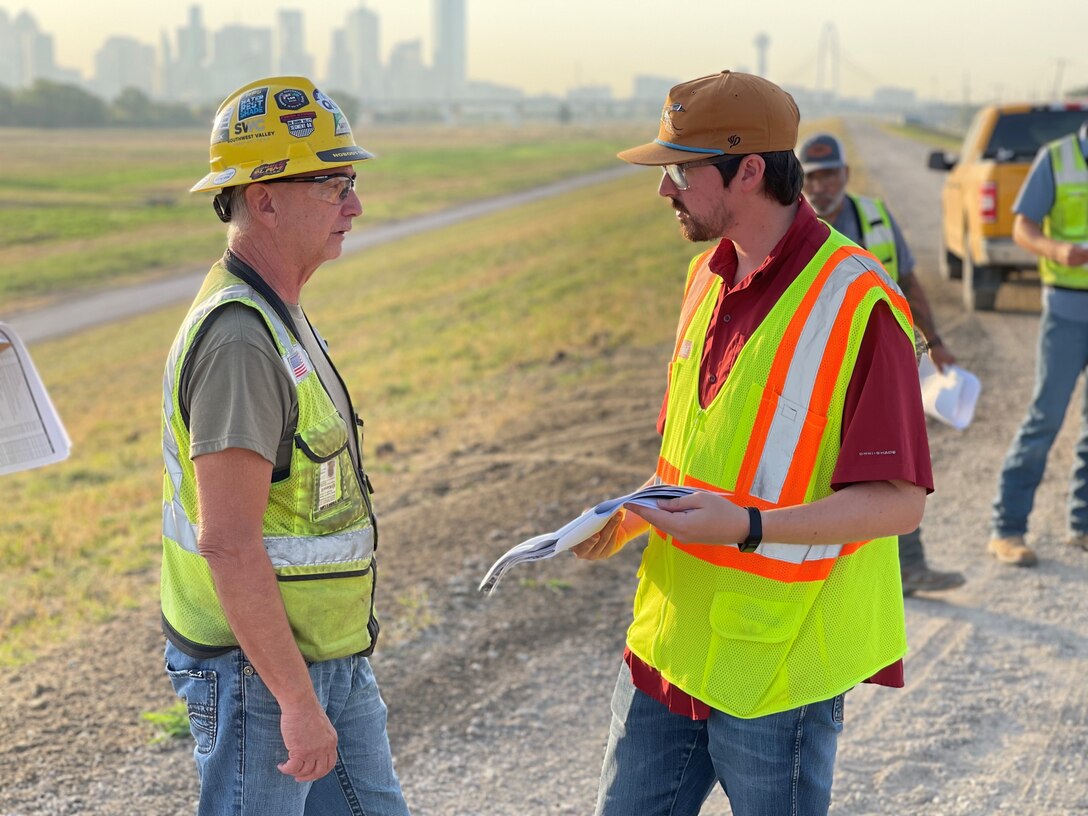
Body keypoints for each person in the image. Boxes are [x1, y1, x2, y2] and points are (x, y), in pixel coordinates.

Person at [571, 70, 931, 816]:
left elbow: (898, 504)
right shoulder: (705, 277)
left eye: (679, 171)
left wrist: (750, 527)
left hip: (778, 666)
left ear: (751, 170)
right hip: (670, 640)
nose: (664, 190)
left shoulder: (860, 303)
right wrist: (631, 513)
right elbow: (706, 451)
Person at [160, 76, 410, 816]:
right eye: (334, 184)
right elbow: (229, 543)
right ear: (264, 199)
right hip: (262, 676)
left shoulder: (281, 315)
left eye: (352, 181)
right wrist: (296, 702)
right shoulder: (240, 340)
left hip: (321, 660)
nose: (355, 205)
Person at [799, 132, 965, 596]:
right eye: (811, 177)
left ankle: (908, 567)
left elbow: (907, 278)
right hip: (816, 371)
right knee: (820, 472)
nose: (821, 186)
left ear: (845, 175)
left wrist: (935, 341)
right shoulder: (789, 229)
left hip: (880, 369)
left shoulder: (874, 217)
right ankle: (823, 575)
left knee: (896, 471)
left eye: (829, 174)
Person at [989, 120, 1088, 567]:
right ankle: (1007, 529)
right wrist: (1054, 249)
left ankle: (1082, 526)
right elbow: (1023, 228)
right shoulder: (1059, 157)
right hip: (1067, 311)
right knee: (1045, 417)